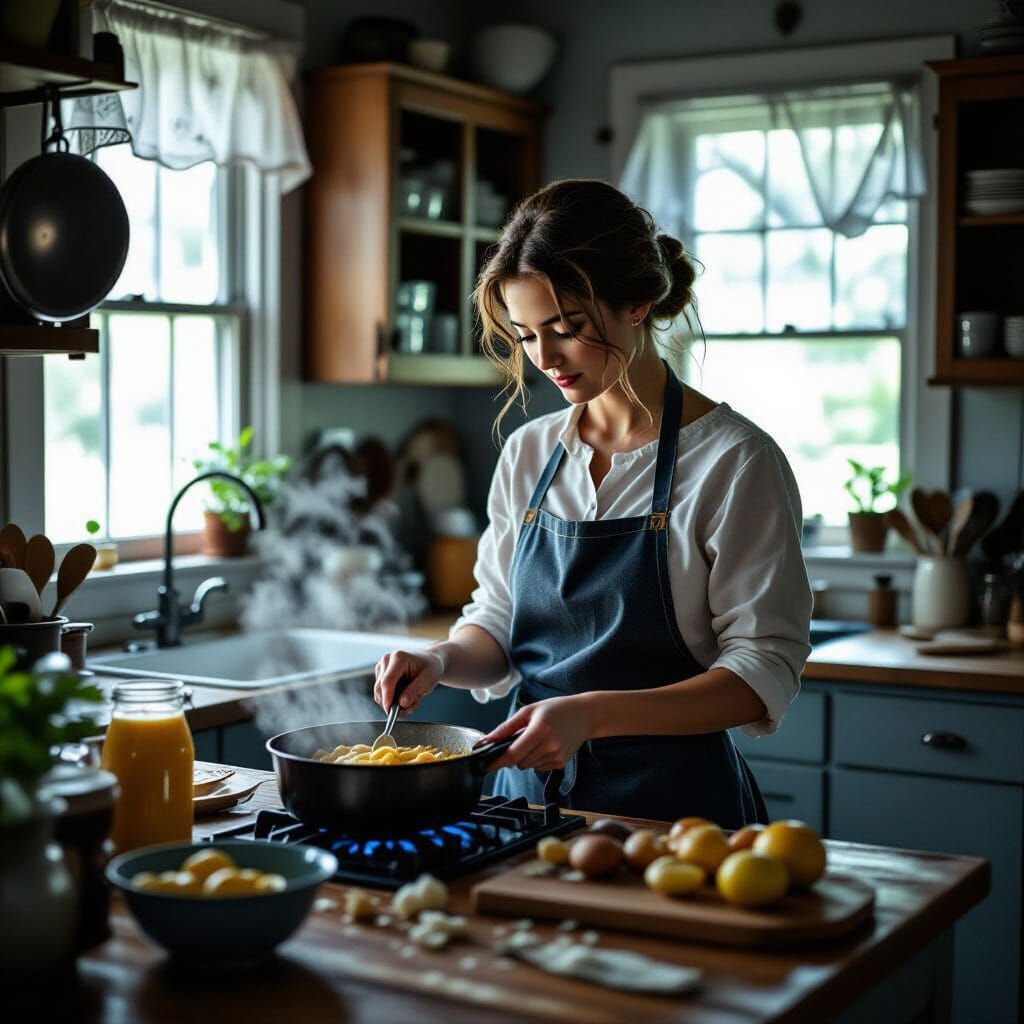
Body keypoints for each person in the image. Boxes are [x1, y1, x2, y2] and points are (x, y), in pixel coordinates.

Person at [374, 179, 812, 827]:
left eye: (567, 328)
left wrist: (590, 715)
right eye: (526, 336)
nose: (545, 358)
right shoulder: (528, 452)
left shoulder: (734, 460)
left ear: (637, 304)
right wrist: (440, 659)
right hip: (525, 801)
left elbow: (761, 671)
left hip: (676, 813)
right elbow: (498, 623)